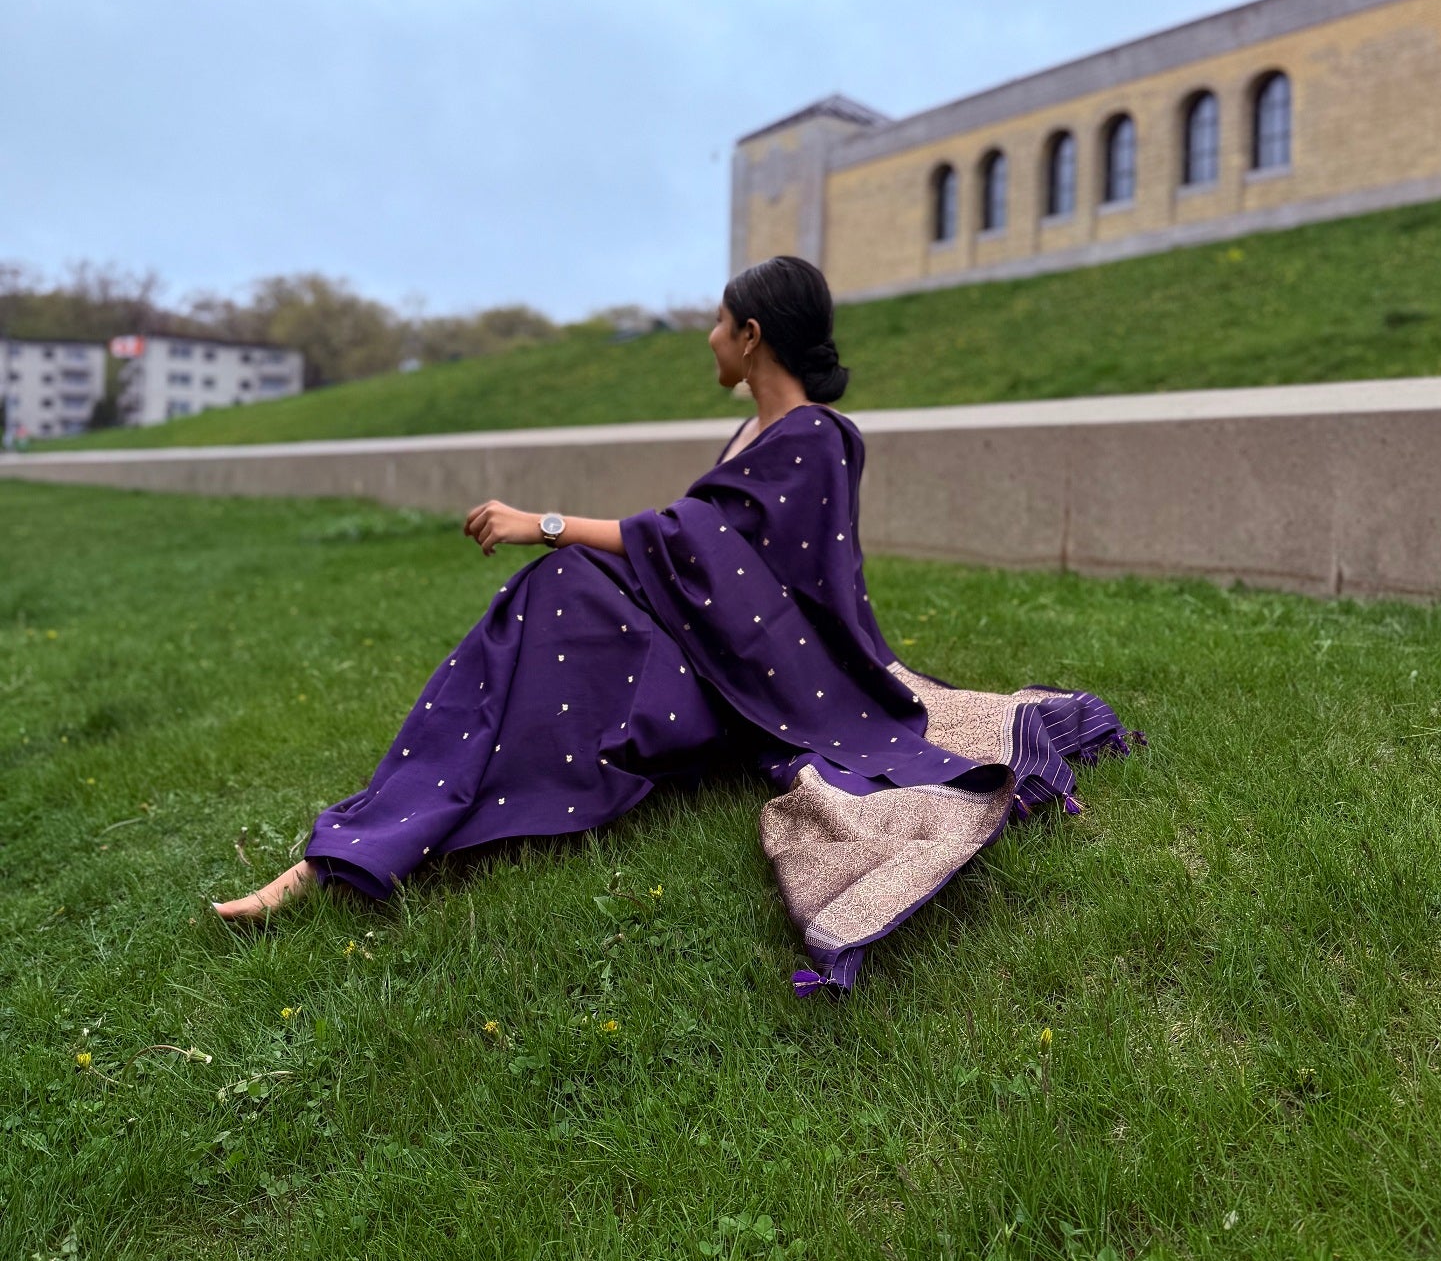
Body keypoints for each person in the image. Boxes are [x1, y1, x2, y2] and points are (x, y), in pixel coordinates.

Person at [213, 256, 1142, 993]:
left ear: (751, 335)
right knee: (552, 605)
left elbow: (707, 551)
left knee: (561, 586)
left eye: (718, 322)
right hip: (710, 650)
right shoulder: (755, 435)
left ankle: (372, 838)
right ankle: (380, 829)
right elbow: (692, 552)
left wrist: (543, 522)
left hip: (755, 683)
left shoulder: (817, 438)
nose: (708, 337)